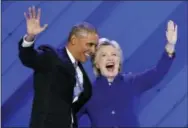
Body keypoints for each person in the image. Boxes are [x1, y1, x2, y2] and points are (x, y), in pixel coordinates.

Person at [77, 20, 177, 127]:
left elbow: (157, 73)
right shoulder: (87, 93)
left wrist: (170, 46)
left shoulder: (131, 82)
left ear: (119, 61)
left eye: (114, 54)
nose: (110, 58)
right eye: (104, 55)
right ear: (96, 64)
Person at [18, 6, 99, 128]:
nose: (93, 50)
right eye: (90, 44)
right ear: (73, 40)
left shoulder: (81, 73)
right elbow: (28, 57)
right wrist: (30, 37)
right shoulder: (52, 57)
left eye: (95, 46)